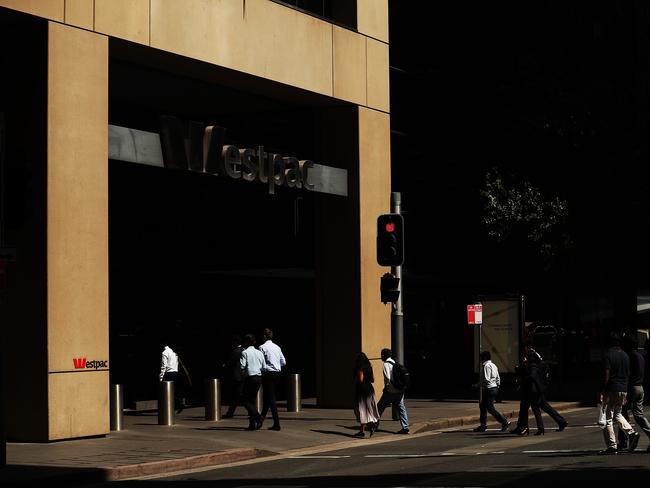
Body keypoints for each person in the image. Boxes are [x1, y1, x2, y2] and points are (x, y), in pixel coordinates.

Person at [510, 346, 567, 435]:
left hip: (533, 389)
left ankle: (523, 427)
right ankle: (560, 421)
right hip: (537, 388)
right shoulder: (535, 360)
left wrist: (524, 371)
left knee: (527, 407)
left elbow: (531, 373)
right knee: (544, 407)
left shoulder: (533, 362)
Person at [599, 331, 639, 454]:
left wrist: (603, 390)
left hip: (612, 388)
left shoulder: (608, 355)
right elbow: (628, 374)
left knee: (607, 418)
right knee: (617, 414)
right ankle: (631, 432)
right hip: (623, 388)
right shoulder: (625, 356)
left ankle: (612, 446)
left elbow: (606, 374)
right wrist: (625, 390)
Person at [617, 335, 650, 451]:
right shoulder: (640, 356)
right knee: (638, 414)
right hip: (640, 387)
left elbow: (627, 374)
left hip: (631, 388)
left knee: (621, 413)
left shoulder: (630, 356)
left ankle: (624, 440)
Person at [472, 351, 510, 433]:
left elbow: (487, 379)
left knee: (490, 408)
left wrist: (477, 385)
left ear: (485, 358)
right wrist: (497, 386)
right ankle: (483, 425)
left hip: (489, 389)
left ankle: (504, 421)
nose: (480, 359)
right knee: (483, 406)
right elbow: (498, 378)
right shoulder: (494, 365)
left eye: (481, 357)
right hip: (494, 388)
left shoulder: (486, 366)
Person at [376, 348, 410, 434]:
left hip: (391, 391)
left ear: (383, 355)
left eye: (381, 355)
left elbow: (388, 378)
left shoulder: (386, 364)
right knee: (401, 408)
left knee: (379, 407)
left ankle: (374, 425)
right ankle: (405, 427)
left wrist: (386, 388)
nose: (381, 357)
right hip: (400, 390)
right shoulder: (395, 362)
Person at [259, 328, 286, 431]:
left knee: (271, 399)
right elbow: (283, 362)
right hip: (277, 374)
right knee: (268, 397)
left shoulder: (262, 347)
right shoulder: (277, 347)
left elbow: (261, 362)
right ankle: (261, 419)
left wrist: (265, 368)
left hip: (268, 374)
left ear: (265, 336)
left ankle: (277, 423)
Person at [240, 333, 266, 431]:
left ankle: (258, 417)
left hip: (249, 378)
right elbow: (263, 366)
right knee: (252, 400)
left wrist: (243, 377)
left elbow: (242, 367)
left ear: (246, 342)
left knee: (245, 401)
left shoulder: (245, 353)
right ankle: (252, 424)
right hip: (259, 378)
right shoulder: (259, 352)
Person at [353, 352, 380, 438]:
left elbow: (360, 379)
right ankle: (364, 429)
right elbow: (373, 379)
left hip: (362, 390)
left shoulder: (360, 367)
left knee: (361, 409)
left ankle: (367, 428)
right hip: (370, 389)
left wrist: (355, 381)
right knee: (369, 409)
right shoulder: (369, 367)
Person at [159, 340, 184, 414]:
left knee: (167, 392)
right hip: (176, 373)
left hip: (169, 374)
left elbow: (164, 366)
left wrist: (161, 378)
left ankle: (177, 404)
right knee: (174, 391)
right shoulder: (174, 352)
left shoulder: (164, 353)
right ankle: (177, 404)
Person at [222, 335, 244, 419]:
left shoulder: (236, 351)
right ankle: (230, 412)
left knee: (235, 396)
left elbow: (231, 363)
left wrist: (225, 365)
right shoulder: (244, 350)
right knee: (239, 395)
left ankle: (230, 413)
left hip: (236, 376)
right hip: (243, 375)